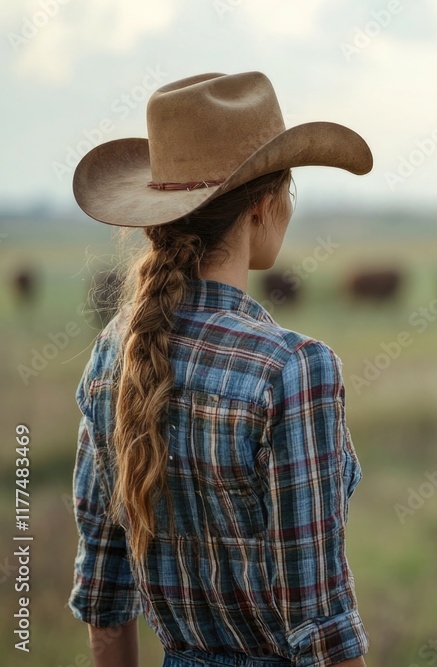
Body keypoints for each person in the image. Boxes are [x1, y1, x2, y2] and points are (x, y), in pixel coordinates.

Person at [68, 71, 373, 667]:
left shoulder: (113, 352)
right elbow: (322, 623)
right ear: (263, 207)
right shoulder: (294, 368)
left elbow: (106, 604)